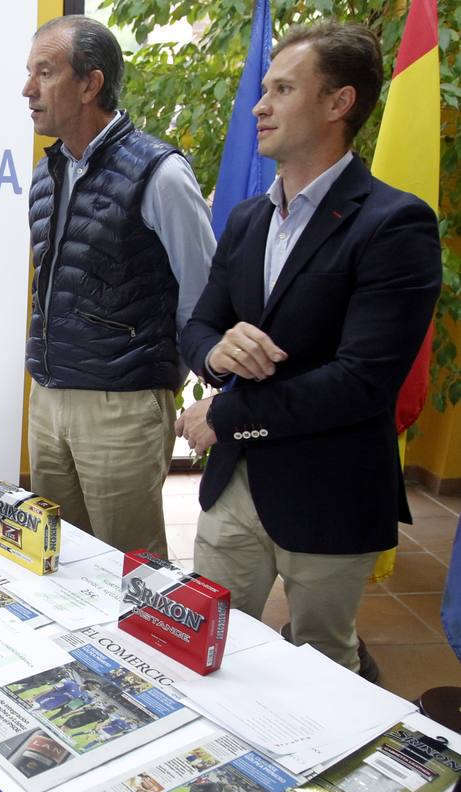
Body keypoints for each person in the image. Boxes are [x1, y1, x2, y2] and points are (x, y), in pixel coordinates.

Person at [176, 22, 442, 679]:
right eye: (262, 88)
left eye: (282, 88)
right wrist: (218, 353)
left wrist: (225, 414)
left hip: (330, 490)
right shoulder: (246, 218)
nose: (257, 105)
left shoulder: (393, 224)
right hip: (235, 485)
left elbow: (361, 385)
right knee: (207, 647)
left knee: (320, 670)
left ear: (336, 103)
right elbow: (197, 326)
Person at [23, 16, 216, 557]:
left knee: (130, 566)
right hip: (49, 395)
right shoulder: (47, 175)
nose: (28, 89)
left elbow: (202, 294)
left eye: (45, 72)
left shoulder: (161, 173)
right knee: (56, 558)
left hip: (121, 404)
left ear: (91, 83)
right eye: (28, 72)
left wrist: (160, 382)